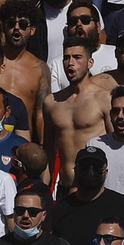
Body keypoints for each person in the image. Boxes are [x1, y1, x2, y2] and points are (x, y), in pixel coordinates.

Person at [41, 38, 116, 192]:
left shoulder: (104, 99)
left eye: (77, 57)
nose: (70, 62)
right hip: (65, 187)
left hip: (97, 187)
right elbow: (48, 148)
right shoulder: (52, 102)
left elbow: (114, 146)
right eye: (66, 57)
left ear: (90, 63)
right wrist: (45, 187)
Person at [48, 145, 124, 245]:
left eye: (96, 167)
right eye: (84, 167)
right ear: (75, 170)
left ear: (106, 172)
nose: (90, 171)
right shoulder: (60, 210)